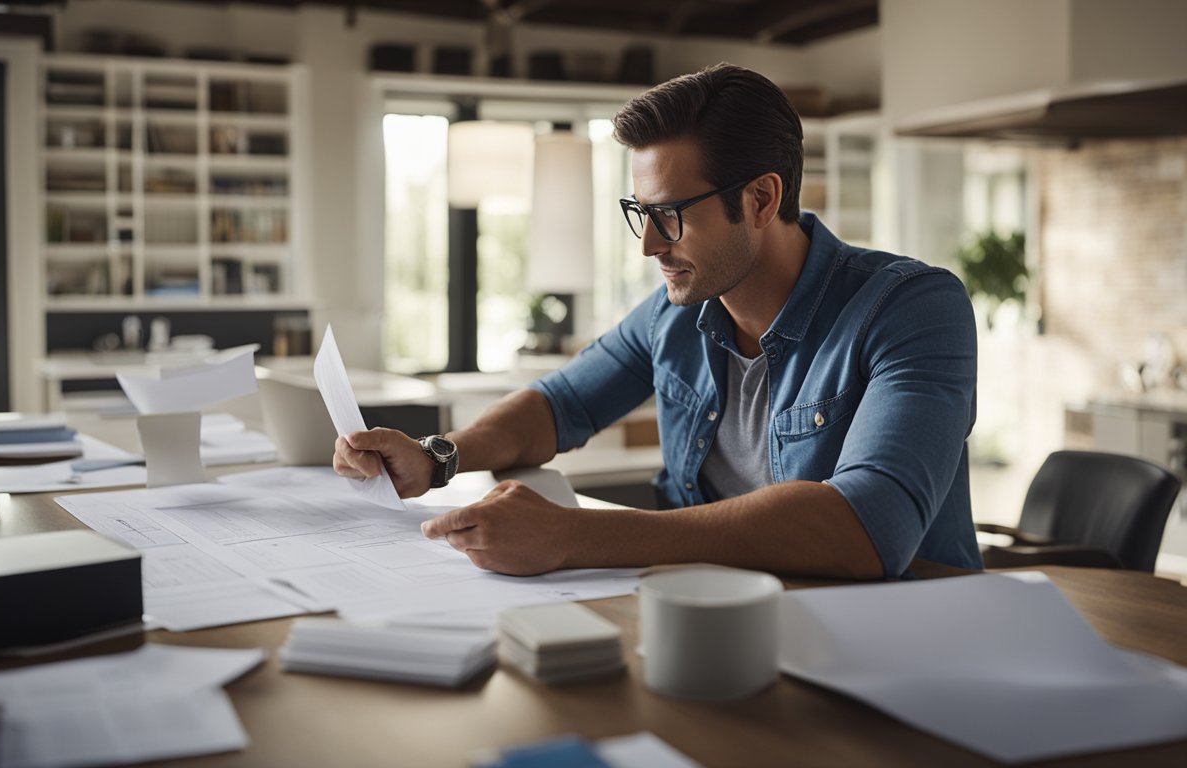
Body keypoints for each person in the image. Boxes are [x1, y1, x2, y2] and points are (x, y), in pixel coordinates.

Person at [335, 63, 981, 580]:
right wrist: (438, 457)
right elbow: (556, 406)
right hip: (722, 614)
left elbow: (869, 527)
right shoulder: (681, 310)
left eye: (670, 214)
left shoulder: (913, 307)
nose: (648, 245)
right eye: (639, 211)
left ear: (760, 199)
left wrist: (574, 535)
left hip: (904, 635)